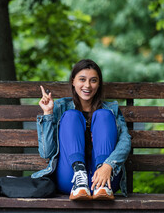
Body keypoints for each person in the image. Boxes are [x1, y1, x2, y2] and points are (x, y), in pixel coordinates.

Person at [31, 59, 131, 200]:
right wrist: (47, 114)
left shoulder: (111, 110)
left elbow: (125, 141)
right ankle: (80, 175)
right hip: (71, 178)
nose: (87, 86)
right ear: (73, 81)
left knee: (103, 115)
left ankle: (101, 184)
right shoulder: (60, 108)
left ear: (99, 84)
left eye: (93, 80)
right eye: (82, 79)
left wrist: (108, 166)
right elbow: (47, 153)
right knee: (72, 116)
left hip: (107, 178)